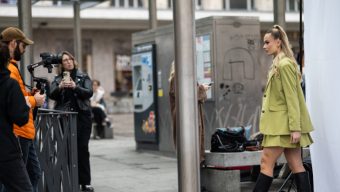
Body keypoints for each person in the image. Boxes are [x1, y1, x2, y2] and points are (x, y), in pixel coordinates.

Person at [253, 25, 313, 192]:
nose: (264, 46)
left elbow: (292, 98)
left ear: (278, 42)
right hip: (282, 125)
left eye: (267, 42)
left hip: (282, 126)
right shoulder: (278, 63)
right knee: (296, 165)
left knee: (266, 162)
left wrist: (295, 128)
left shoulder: (284, 65)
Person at [0, 27, 45, 192]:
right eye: (23, 45)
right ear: (13, 43)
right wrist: (34, 100)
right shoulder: (9, 70)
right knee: (20, 181)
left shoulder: (11, 67)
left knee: (32, 174)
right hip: (18, 133)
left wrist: (29, 94)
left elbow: (15, 95)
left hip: (24, 132)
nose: (25, 49)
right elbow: (10, 101)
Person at [49, 51, 94, 192]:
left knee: (82, 149)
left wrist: (76, 87)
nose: (68, 62)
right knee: (67, 149)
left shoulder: (83, 76)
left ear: (74, 61)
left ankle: (85, 182)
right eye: (64, 60)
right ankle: (70, 180)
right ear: (61, 64)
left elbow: (89, 92)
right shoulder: (57, 79)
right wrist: (60, 86)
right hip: (64, 118)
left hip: (82, 117)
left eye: (70, 59)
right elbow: (51, 95)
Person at [0, 41, 32, 191]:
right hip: (6, 148)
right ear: (6, 60)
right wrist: (29, 103)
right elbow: (20, 118)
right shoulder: (8, 83)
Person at [168, 61, 210, 165]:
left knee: (192, 144)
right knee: (189, 145)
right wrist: (202, 89)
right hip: (186, 117)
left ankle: (194, 167)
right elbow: (186, 96)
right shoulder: (177, 78)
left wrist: (200, 88)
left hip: (189, 115)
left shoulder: (181, 78)